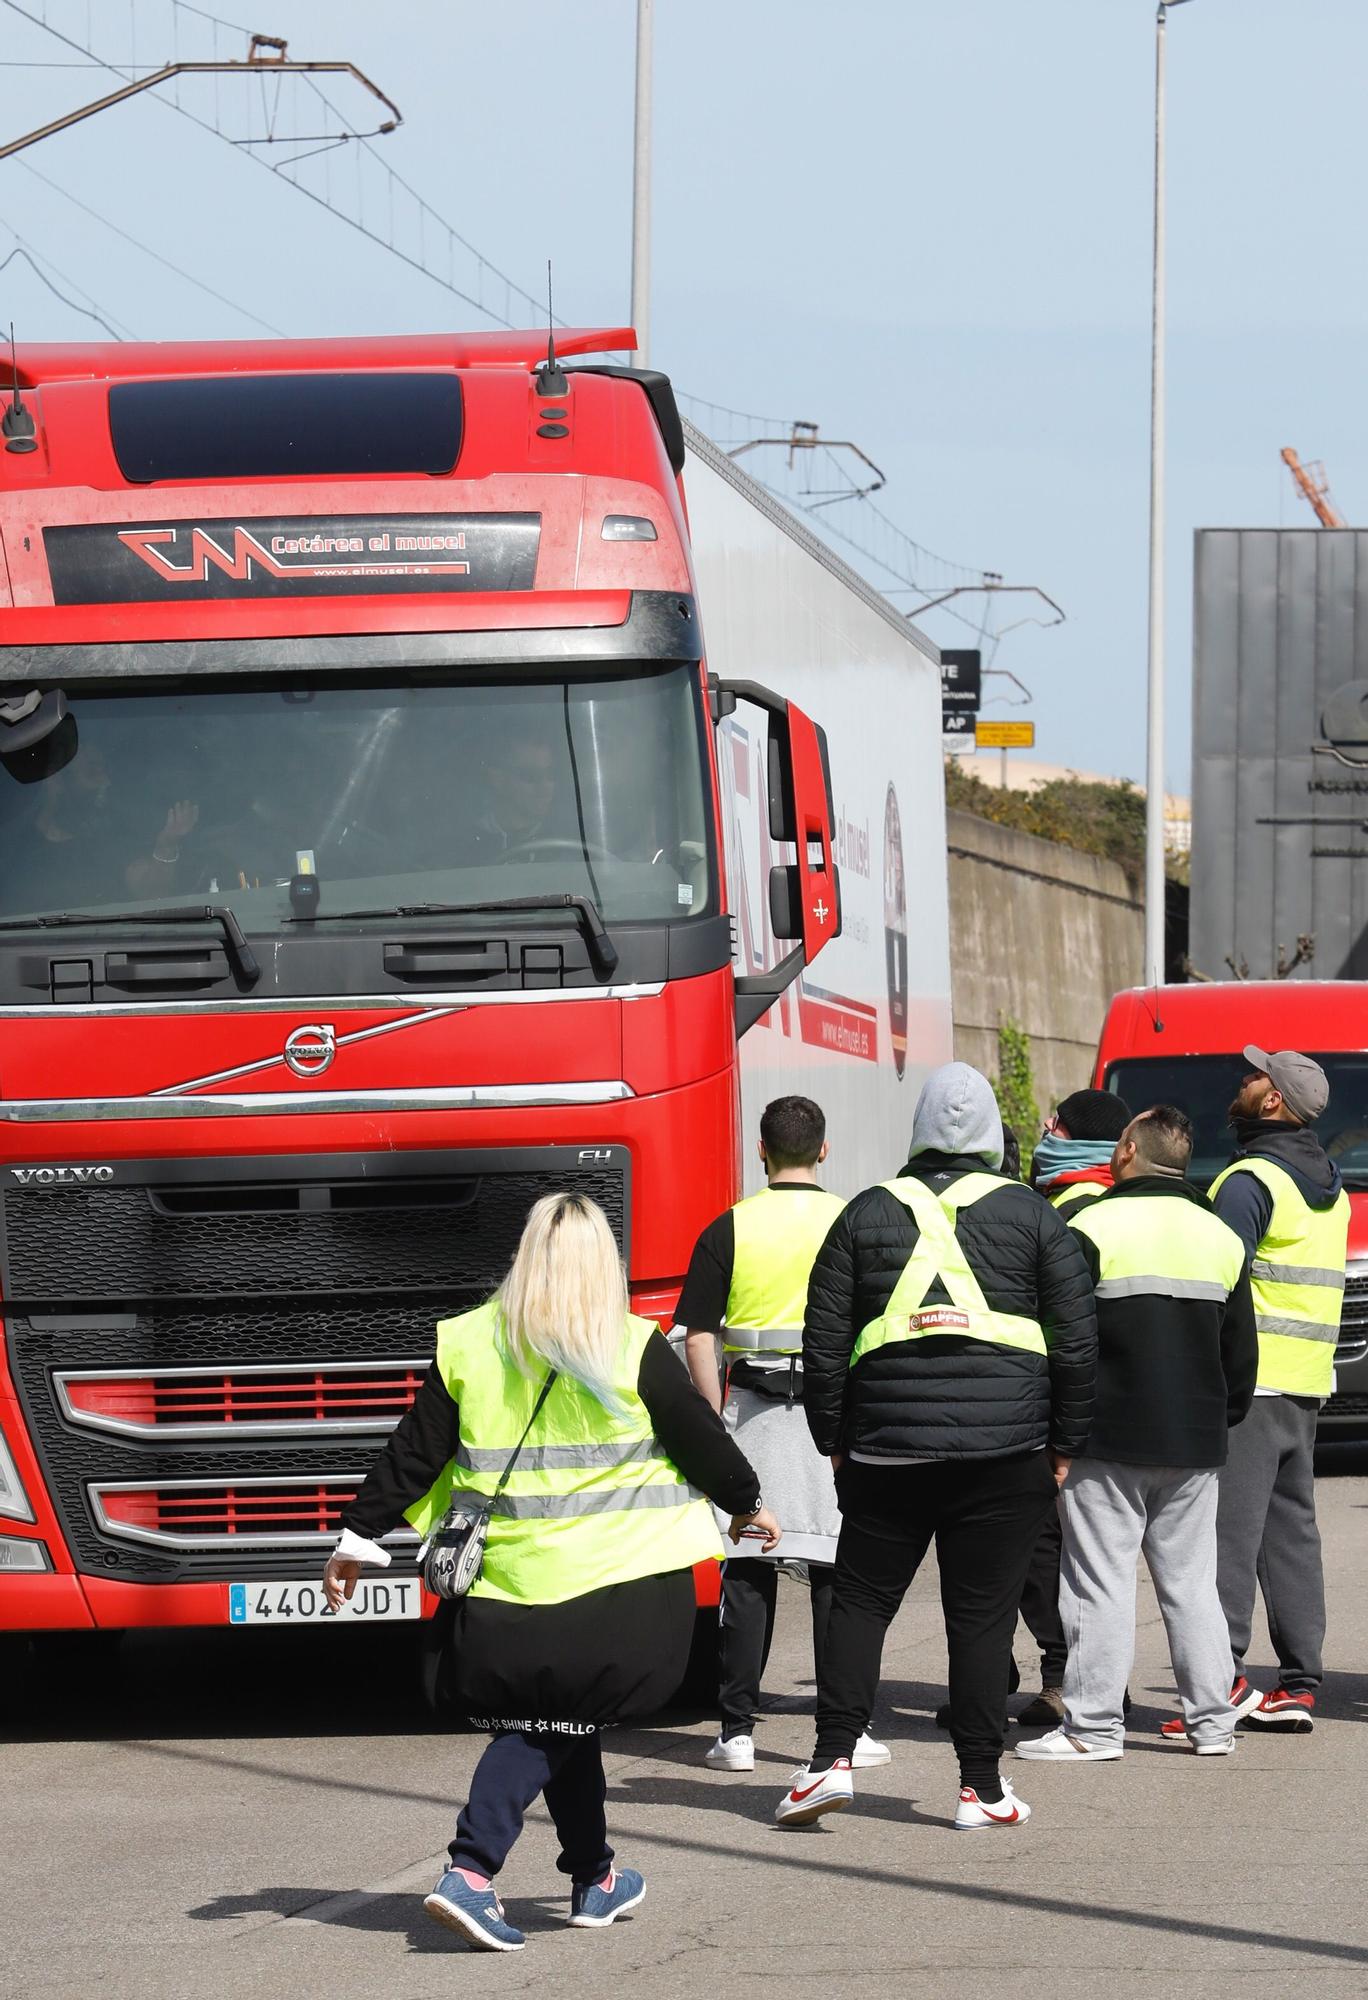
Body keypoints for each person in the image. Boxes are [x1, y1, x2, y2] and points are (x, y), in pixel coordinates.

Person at [323, 1192, 777, 1953]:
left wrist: (358, 1538)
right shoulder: (631, 1344)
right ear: (604, 1264)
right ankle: (469, 1872)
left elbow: (415, 1451)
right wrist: (746, 1502)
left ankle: (595, 1878)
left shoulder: (470, 1344)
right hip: (616, 1590)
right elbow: (698, 1436)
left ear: (526, 1259)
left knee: (568, 1722)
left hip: (506, 1589)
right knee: (547, 1727)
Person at [776, 1061, 1097, 1832]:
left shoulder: (864, 1214)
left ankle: (829, 1761)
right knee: (981, 1619)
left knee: (860, 1602)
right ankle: (981, 1789)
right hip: (1008, 1450)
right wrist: (1064, 1444)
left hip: (885, 1450)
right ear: (992, 1134)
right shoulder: (1034, 1216)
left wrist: (834, 1441)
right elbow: (1078, 1345)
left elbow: (822, 1346)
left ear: (917, 1132)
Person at [1016, 1105, 1258, 1764]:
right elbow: (1240, 1357)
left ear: (1126, 1149)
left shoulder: (1088, 1225)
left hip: (1106, 1440)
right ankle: (1212, 1724)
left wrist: (1055, 1429)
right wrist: (1217, 1420)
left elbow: (1058, 1341)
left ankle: (1093, 1729)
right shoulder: (1219, 1234)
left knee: (1099, 1582)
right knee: (1191, 1584)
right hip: (1195, 1444)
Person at [676, 1096, 889, 1774]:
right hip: (836, 1418)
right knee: (836, 1572)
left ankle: (736, 1731)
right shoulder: (855, 1219)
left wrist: (713, 1415)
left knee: (747, 1569)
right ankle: (846, 1733)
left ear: (760, 1152)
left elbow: (700, 1334)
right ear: (823, 1151)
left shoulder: (729, 1228)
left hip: (756, 1414)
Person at [1206, 1046, 1350, 1734]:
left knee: (1229, 1535)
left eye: (1256, 1074)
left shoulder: (1251, 1180)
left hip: (1250, 1387)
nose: (1245, 1078)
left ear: (1273, 1102)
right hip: (1305, 1384)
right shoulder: (1330, 1184)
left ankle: (1223, 1678)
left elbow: (1218, 1284)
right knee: (1291, 1533)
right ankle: (1299, 1680)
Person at [1032, 1088, 1134, 1219]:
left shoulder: (1089, 1206)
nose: (1048, 1123)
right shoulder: (1072, 1191)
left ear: (1085, 1143)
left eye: (1059, 1121)